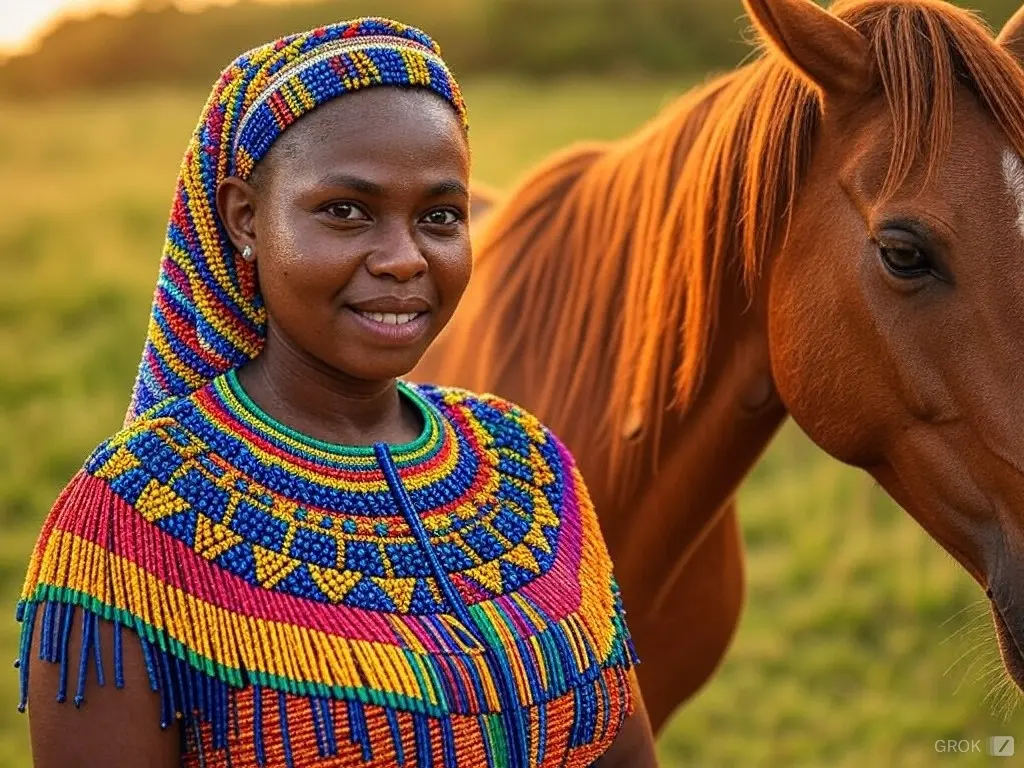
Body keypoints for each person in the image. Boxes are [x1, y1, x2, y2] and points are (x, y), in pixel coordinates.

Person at [15, 17, 658, 767]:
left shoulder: (527, 467)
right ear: (244, 218)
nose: (403, 258)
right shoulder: (129, 523)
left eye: (440, 217)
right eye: (346, 211)